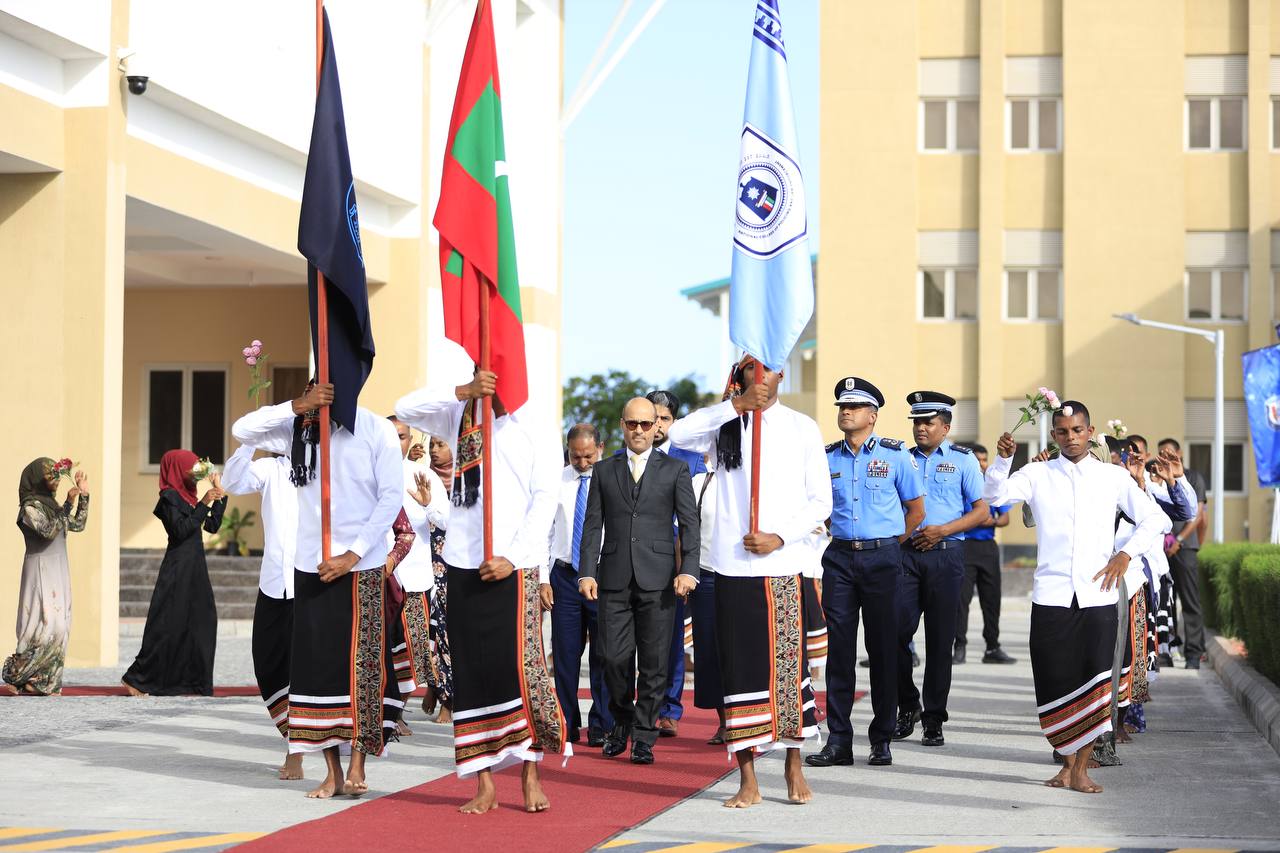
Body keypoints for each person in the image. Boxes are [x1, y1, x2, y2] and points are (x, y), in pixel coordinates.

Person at [395, 369, 565, 814]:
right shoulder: (461, 414)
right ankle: (483, 783)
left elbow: (545, 499)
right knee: (470, 674)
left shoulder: (537, 423)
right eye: (481, 375)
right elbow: (406, 407)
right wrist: (463, 392)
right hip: (461, 561)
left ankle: (530, 773)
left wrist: (514, 556)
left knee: (520, 671)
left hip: (514, 566)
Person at [668, 356, 830, 807]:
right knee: (737, 673)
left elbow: (820, 501)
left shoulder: (802, 427)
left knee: (787, 670)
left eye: (767, 370)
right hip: (731, 567)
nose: (760, 377)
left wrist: (779, 537)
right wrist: (735, 406)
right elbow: (677, 434)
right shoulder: (724, 424)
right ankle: (747, 778)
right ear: (738, 378)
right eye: (749, 371)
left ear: (781, 375)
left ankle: (793, 764)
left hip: (782, 566)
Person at [232, 383, 404, 800]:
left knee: (362, 668)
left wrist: (353, 553)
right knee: (316, 671)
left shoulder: (375, 429)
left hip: (361, 565)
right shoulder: (299, 429)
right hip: (310, 567)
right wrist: (297, 406)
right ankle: (331, 772)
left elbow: (390, 498)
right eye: (316, 391)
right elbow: (242, 430)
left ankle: (358, 764)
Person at [984, 401, 1165, 794]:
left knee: (1095, 683)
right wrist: (1003, 461)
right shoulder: (1037, 474)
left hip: (1097, 597)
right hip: (1050, 596)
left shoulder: (1112, 476)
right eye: (1063, 431)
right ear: (1054, 435)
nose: (1071, 437)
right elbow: (995, 497)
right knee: (1053, 681)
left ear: (1090, 431)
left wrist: (1125, 554)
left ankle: (1081, 769)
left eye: (1077, 430)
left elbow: (1157, 519)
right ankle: (1065, 765)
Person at [807, 378, 924, 771]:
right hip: (840, 559)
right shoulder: (827, 458)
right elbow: (823, 509)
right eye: (842, 406)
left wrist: (888, 544)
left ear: (872, 416)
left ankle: (881, 738)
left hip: (883, 560)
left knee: (883, 650)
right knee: (840, 652)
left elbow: (916, 511)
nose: (845, 412)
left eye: (854, 407)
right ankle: (839, 740)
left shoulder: (895, 455)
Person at [578, 398, 699, 765]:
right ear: (622, 425)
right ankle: (622, 720)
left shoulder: (675, 470)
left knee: (654, 662)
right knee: (612, 658)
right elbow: (592, 525)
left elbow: (690, 524)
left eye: (646, 424)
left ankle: (644, 736)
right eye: (632, 424)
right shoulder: (604, 470)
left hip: (660, 581)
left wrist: (688, 569)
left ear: (656, 427)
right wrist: (587, 571)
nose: (639, 431)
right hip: (613, 578)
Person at [895, 392, 989, 748]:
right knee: (894, 635)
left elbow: (981, 511)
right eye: (916, 422)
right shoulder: (901, 458)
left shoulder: (964, 460)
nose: (920, 428)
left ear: (945, 428)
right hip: (906, 556)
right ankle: (908, 705)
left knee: (939, 641)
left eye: (928, 422)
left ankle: (933, 719)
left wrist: (943, 530)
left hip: (947, 556)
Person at [221, 443, 302, 779]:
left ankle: (297, 750)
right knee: (267, 663)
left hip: (313, 582)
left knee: (304, 671)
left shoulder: (329, 468)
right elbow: (231, 481)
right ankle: (295, 737)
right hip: (273, 582)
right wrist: (250, 441)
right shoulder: (272, 469)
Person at [122, 451, 225, 698]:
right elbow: (181, 531)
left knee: (203, 620)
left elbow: (211, 526)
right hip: (178, 566)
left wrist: (219, 493)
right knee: (167, 624)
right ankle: (136, 678)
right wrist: (204, 502)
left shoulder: (190, 496)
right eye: (191, 468)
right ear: (178, 469)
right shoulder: (169, 497)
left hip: (195, 566)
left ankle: (193, 682)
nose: (195, 473)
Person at [541, 423, 612, 748]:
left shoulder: (612, 479)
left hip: (602, 576)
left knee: (604, 653)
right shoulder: (555, 482)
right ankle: (567, 720)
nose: (582, 463)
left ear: (600, 448)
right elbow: (545, 532)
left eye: (588, 456)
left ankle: (602, 722)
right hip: (564, 577)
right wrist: (543, 579)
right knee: (566, 654)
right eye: (575, 457)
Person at [647, 389, 707, 738]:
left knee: (671, 640)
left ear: (674, 422)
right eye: (651, 418)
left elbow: (694, 519)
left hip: (675, 557)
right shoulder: (625, 457)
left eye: (664, 419)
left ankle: (669, 709)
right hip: (634, 557)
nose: (656, 425)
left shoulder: (692, 460)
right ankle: (636, 709)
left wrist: (687, 566)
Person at [385, 416, 449, 735]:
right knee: (380, 648)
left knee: (413, 651)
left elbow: (448, 521)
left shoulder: (423, 476)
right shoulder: (365, 472)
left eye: (401, 437)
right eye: (390, 436)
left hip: (414, 578)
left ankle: (396, 710)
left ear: (410, 441)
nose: (396, 442)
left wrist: (427, 507)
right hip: (376, 576)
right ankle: (387, 714)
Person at [3, 459, 89, 696]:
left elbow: (77, 525)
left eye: (57, 476)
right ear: (37, 480)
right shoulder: (29, 508)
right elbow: (49, 531)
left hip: (58, 568)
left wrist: (83, 496)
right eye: (51, 477)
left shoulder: (52, 505)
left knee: (61, 625)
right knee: (42, 625)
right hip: (40, 569)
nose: (57, 481)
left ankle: (42, 681)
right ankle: (16, 675)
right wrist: (68, 504)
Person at [953, 443, 1014, 665]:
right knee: (961, 600)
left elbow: (1005, 517)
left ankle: (992, 647)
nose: (982, 464)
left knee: (991, 600)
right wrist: (973, 520)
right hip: (964, 546)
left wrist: (992, 521)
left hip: (988, 547)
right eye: (977, 460)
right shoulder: (959, 483)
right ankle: (959, 647)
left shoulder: (991, 485)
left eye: (985, 459)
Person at [1157, 437, 1208, 669]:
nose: (1165, 456)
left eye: (1170, 452)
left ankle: (1194, 655)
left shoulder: (1193, 477)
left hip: (1184, 547)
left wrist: (1179, 540)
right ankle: (1166, 651)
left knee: (1190, 602)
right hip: (1162, 549)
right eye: (1161, 453)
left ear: (1179, 454)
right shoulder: (1157, 475)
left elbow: (1197, 515)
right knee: (1165, 602)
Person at [688, 463, 726, 743]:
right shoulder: (701, 482)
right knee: (709, 653)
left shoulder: (752, 478)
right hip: (707, 576)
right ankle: (724, 722)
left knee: (741, 652)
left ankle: (748, 720)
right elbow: (687, 531)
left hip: (742, 576)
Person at [422, 433, 456, 719]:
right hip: (423, 559)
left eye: (440, 444)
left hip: (453, 563)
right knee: (428, 628)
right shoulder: (422, 477)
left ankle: (448, 698)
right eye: (431, 444)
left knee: (446, 627)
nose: (434, 450)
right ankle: (435, 684)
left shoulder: (466, 479)